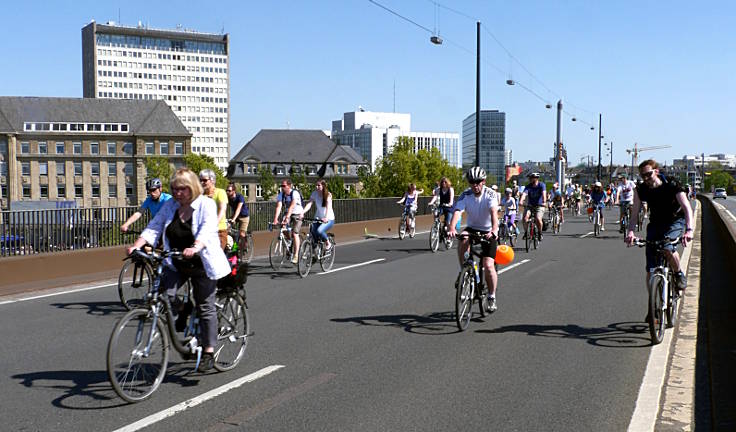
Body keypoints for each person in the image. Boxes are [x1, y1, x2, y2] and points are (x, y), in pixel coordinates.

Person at [126, 168, 230, 372]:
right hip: (176, 260)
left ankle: (208, 350)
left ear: (191, 188)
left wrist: (195, 247)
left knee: (205, 306)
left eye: (181, 189)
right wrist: (137, 245)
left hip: (201, 261)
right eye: (174, 189)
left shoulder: (206, 204)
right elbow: (154, 227)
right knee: (166, 294)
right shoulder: (170, 205)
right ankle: (184, 309)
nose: (177, 193)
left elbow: (208, 228)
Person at [626, 160, 693, 298]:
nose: (646, 178)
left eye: (648, 174)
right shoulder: (641, 189)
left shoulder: (672, 184)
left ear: (656, 171)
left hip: (674, 221)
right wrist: (631, 232)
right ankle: (652, 305)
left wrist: (689, 230)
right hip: (656, 223)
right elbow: (634, 215)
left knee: (667, 247)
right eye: (642, 176)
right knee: (650, 269)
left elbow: (686, 208)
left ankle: (678, 273)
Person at [448, 167, 500, 312]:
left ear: (483, 181)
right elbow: (458, 212)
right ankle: (463, 270)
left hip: (488, 230)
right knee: (463, 238)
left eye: (478, 182)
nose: (475, 185)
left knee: (488, 265)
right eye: (472, 182)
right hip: (472, 227)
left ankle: (491, 296)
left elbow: (493, 213)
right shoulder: (465, 195)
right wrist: (452, 228)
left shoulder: (490, 194)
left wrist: (494, 229)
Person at [272, 178, 304, 264]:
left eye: (284, 186)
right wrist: (275, 219)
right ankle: (289, 240)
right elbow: (279, 206)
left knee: (295, 233)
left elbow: (293, 205)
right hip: (288, 213)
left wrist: (287, 217)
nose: (282, 187)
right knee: (283, 228)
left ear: (289, 186)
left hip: (297, 213)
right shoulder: (281, 194)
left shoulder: (295, 193)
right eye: (281, 186)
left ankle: (296, 255)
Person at [302, 179, 335, 251]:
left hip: (329, 219)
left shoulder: (328, 195)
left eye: (319, 185)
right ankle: (315, 249)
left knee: (319, 231)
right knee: (313, 231)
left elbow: (328, 207)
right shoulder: (314, 193)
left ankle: (328, 243)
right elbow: (309, 204)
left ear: (323, 186)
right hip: (318, 217)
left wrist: (326, 218)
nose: (317, 187)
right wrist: (302, 212)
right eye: (316, 185)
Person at [199, 169, 228, 250]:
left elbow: (222, 209)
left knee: (215, 256)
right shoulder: (200, 195)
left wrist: (214, 224)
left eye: (204, 180)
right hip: (203, 231)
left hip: (219, 230)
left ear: (212, 180)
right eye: (200, 180)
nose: (202, 183)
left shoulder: (220, 192)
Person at [520, 172, 546, 241]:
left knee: (538, 219)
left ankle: (540, 233)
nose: (530, 179)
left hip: (539, 205)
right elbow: (524, 194)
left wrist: (544, 201)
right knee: (525, 219)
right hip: (530, 205)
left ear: (536, 178)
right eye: (530, 178)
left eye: (531, 178)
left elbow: (544, 194)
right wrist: (521, 201)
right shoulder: (528, 186)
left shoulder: (541, 185)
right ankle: (526, 233)